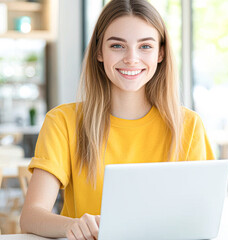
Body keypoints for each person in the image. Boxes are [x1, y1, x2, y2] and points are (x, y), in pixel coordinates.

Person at [20, 0, 214, 239]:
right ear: (99, 52)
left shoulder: (188, 126)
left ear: (160, 53)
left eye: (145, 46)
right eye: (117, 46)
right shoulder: (63, 122)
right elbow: (31, 216)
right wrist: (72, 226)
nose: (131, 58)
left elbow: (200, 218)